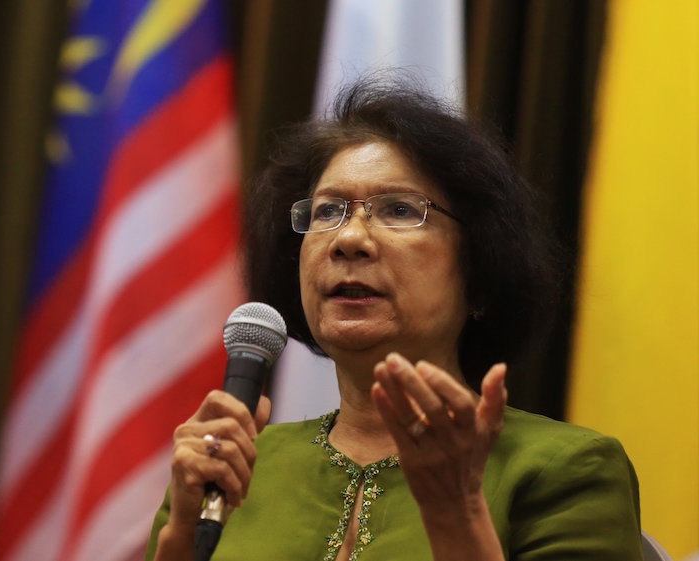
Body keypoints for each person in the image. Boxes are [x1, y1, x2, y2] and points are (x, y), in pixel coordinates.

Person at [145, 75, 643, 560]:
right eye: (327, 211)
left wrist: (459, 513)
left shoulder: (568, 470)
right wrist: (184, 532)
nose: (348, 239)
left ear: (479, 272)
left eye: (400, 210)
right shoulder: (224, 469)